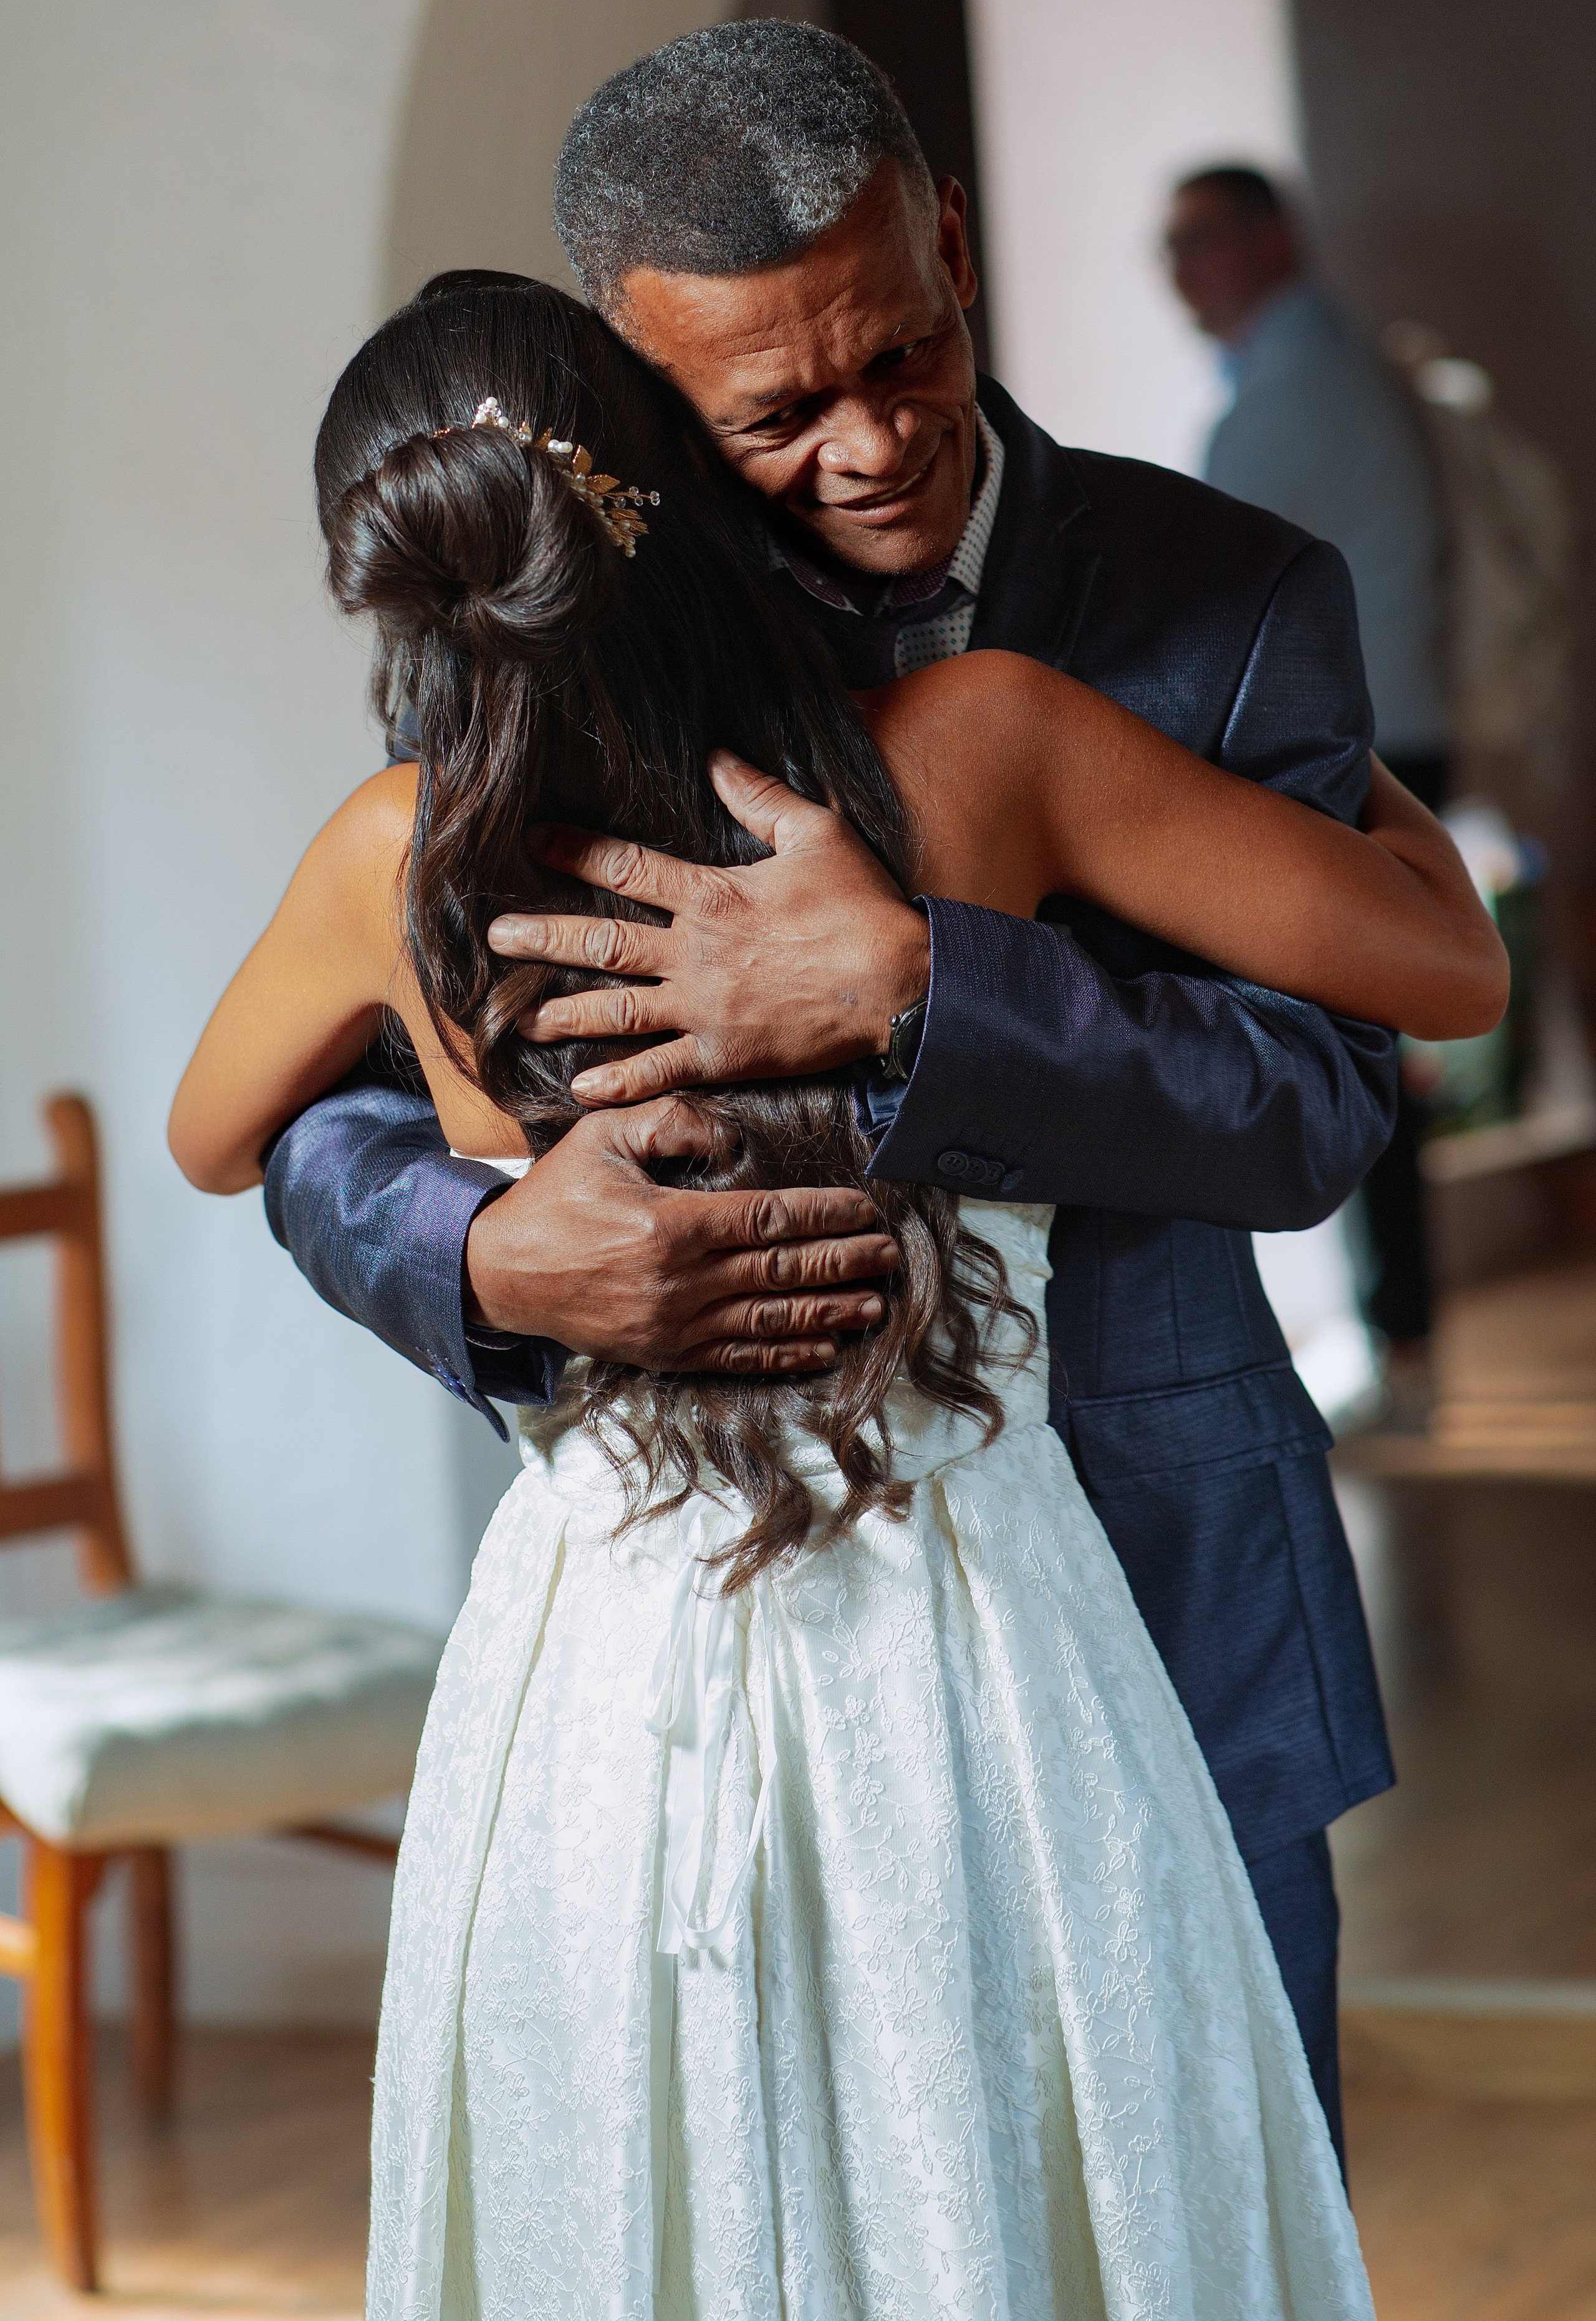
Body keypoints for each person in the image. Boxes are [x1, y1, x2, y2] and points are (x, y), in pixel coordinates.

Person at [170, 275, 1500, 2319]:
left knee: (659, 2212)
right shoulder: (980, 751)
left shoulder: (397, 858)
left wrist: (869, 1002)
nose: (868, 445)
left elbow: (210, 1129)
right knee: (1039, 2211)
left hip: (609, 1666)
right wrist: (485, 1256)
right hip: (982, 1614)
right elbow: (1441, 962)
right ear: (675, 479)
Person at [1165, 162, 1450, 1388]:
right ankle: (1395, 1326)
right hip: (1390, 735)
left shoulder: (1292, 396)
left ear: (1271, 237)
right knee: (1370, 1029)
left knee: (1350, 1034)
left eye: (1200, 239)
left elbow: (1199, 605)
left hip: (1350, 755)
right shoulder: (1323, 371)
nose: (1179, 271)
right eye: (1164, 248)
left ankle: (1392, 1332)